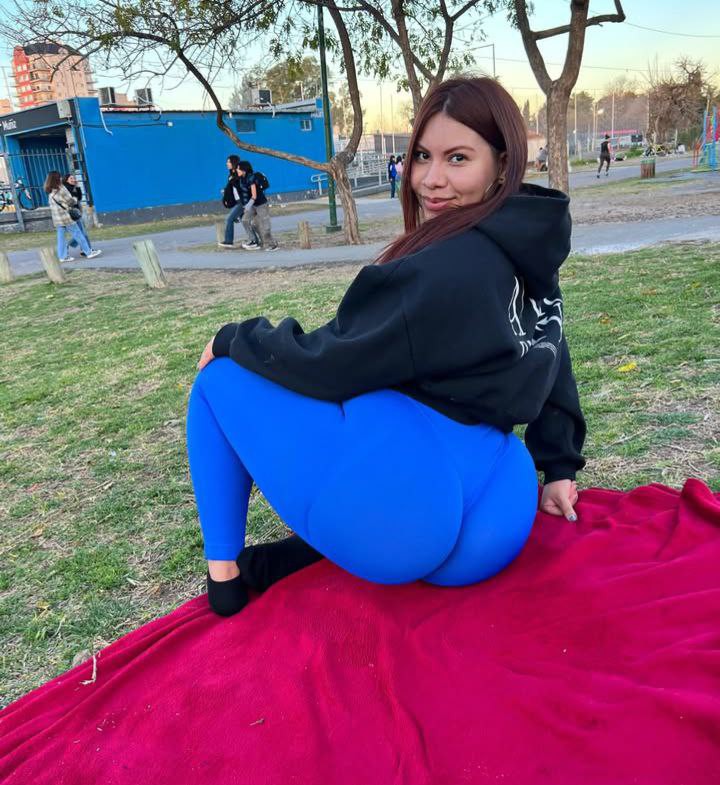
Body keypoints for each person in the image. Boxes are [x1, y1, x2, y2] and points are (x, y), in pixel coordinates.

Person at [188, 76, 586, 617]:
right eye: (422, 156)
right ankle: (304, 553)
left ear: (502, 162)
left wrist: (234, 338)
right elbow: (551, 346)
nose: (431, 179)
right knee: (380, 421)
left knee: (215, 382)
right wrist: (558, 467)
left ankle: (225, 576)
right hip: (500, 510)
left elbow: (329, 362)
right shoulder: (527, 244)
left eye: (458, 158)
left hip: (413, 518)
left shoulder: (441, 267)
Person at [44, 170, 101, 262]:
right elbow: (71, 201)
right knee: (78, 234)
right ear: (57, 179)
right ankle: (88, 252)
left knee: (61, 238)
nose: (61, 178)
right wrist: (75, 198)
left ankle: (62, 256)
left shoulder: (50, 190)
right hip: (66, 217)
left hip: (57, 218)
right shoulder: (61, 188)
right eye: (59, 177)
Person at [238, 160, 277, 251]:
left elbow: (254, 196)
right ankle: (253, 240)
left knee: (265, 225)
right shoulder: (242, 179)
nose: (237, 170)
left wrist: (247, 207)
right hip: (252, 205)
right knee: (245, 220)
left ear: (244, 170)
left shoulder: (251, 178)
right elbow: (245, 194)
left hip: (261, 204)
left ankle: (272, 244)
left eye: (238, 169)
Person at [218, 155, 250, 249]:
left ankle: (229, 241)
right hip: (237, 201)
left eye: (228, 162)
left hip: (242, 201)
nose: (226, 164)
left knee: (229, 219)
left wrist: (232, 180)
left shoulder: (238, 174)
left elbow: (241, 187)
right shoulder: (231, 175)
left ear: (233, 163)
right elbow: (231, 189)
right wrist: (225, 193)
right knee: (245, 221)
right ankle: (254, 240)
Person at [62, 173, 93, 257]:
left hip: (76, 213)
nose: (74, 180)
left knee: (80, 233)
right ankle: (87, 249)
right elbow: (73, 200)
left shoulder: (73, 187)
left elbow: (79, 198)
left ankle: (84, 249)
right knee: (82, 233)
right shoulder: (66, 188)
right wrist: (75, 189)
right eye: (71, 178)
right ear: (66, 180)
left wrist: (78, 187)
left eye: (74, 178)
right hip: (72, 214)